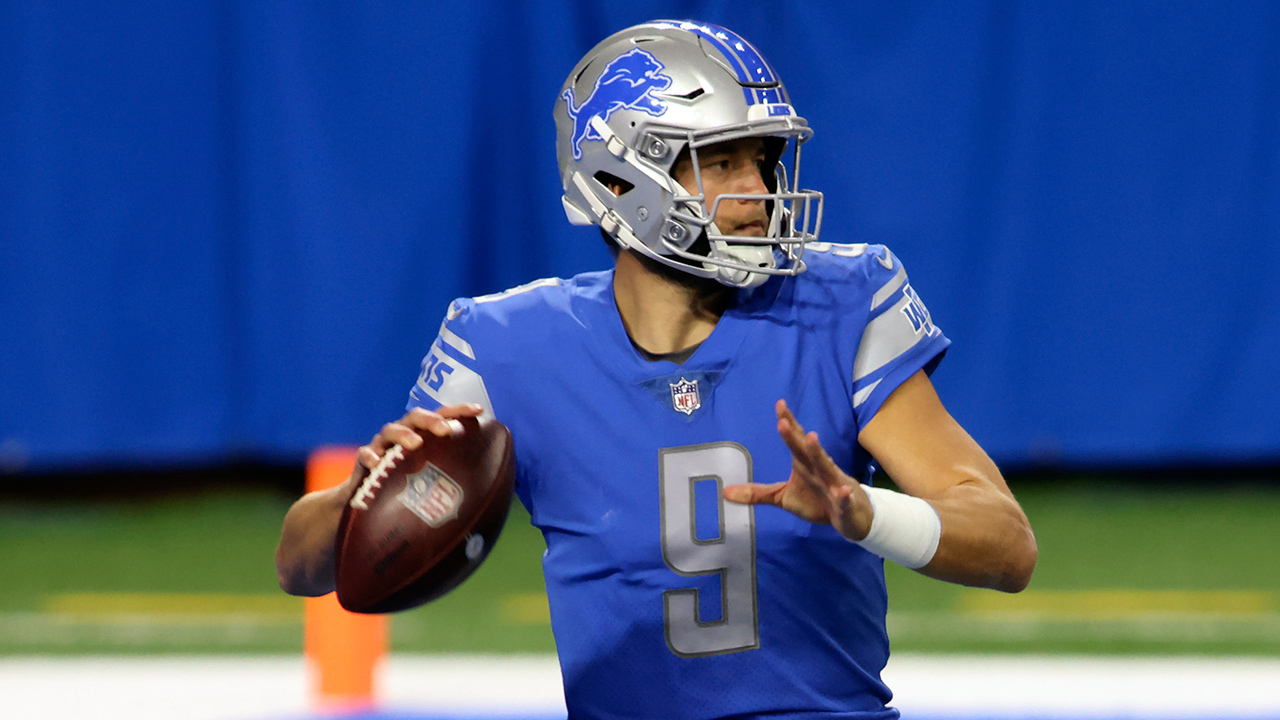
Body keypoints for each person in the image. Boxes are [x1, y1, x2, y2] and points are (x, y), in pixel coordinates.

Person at [276, 19, 1037, 719]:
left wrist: (866, 515)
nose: (760, 193)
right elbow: (303, 565)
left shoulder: (838, 305)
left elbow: (1007, 547)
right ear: (616, 183)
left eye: (764, 160)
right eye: (721, 162)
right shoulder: (507, 346)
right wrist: (364, 489)